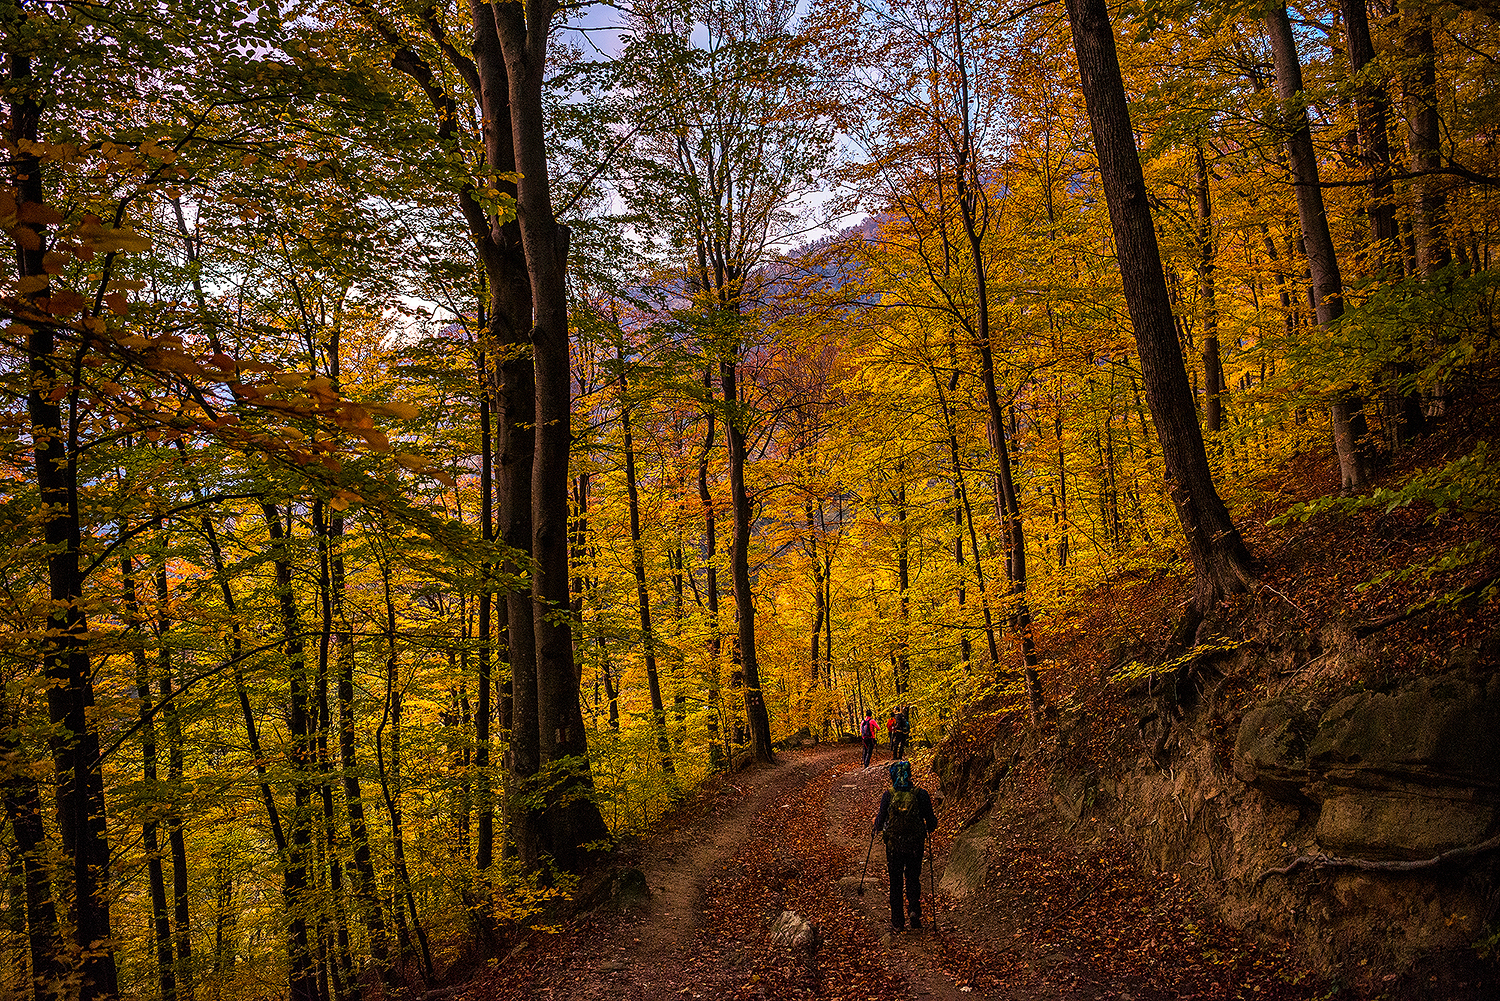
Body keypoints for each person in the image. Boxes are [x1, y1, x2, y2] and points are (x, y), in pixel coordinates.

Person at [874, 759, 938, 932]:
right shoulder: (920, 794)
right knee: (913, 878)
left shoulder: (888, 794)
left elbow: (880, 821)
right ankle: (914, 913)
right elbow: (932, 822)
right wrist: (927, 826)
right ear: (910, 775)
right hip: (915, 846)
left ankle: (897, 921)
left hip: (894, 846)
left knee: (895, 882)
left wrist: (876, 827)